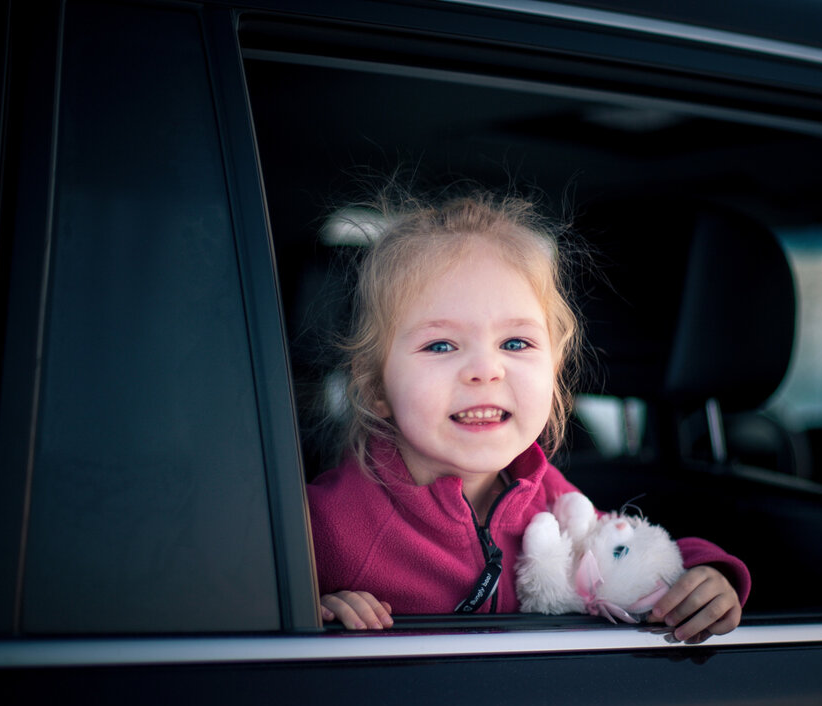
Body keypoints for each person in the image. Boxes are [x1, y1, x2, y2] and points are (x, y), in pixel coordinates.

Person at [307, 190, 750, 643]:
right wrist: (306, 612)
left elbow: (633, 552)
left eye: (516, 343)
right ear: (377, 387)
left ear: (554, 372)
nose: (485, 370)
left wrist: (703, 575)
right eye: (440, 345)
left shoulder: (553, 503)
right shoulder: (324, 525)